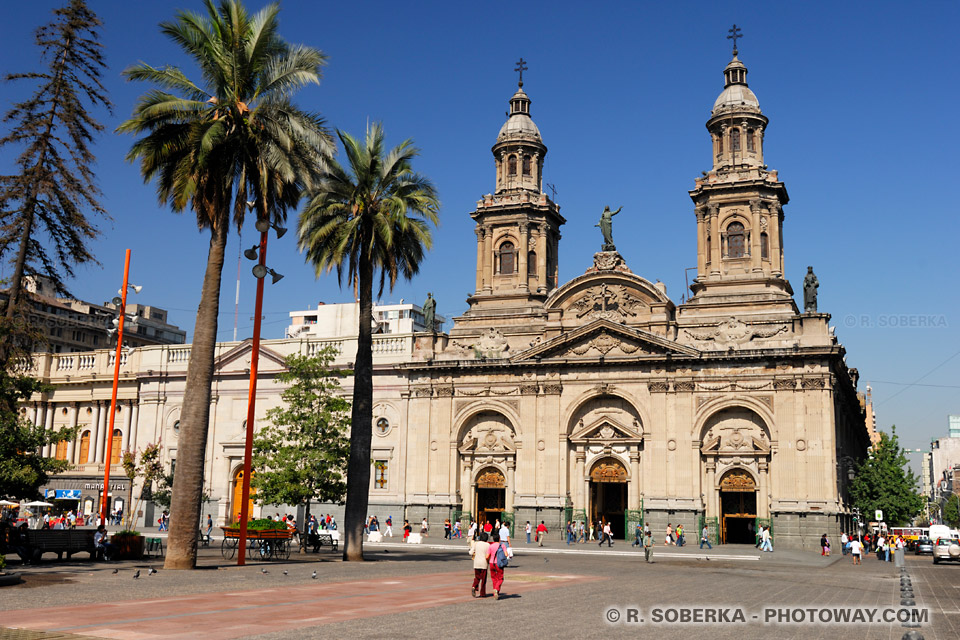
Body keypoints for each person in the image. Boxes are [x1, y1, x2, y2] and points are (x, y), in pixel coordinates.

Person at [486, 532, 506, 600]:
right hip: (499, 563)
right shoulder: (502, 545)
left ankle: (495, 591)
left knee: (494, 578)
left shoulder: (491, 546)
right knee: (500, 578)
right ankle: (496, 589)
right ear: (499, 538)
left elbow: (487, 556)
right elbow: (506, 554)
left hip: (492, 563)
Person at [470, 531, 490, 598]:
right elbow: (488, 554)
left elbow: (470, 552)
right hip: (484, 563)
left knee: (477, 577)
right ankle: (482, 593)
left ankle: (474, 586)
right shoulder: (487, 545)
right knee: (483, 579)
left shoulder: (476, 544)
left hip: (476, 563)